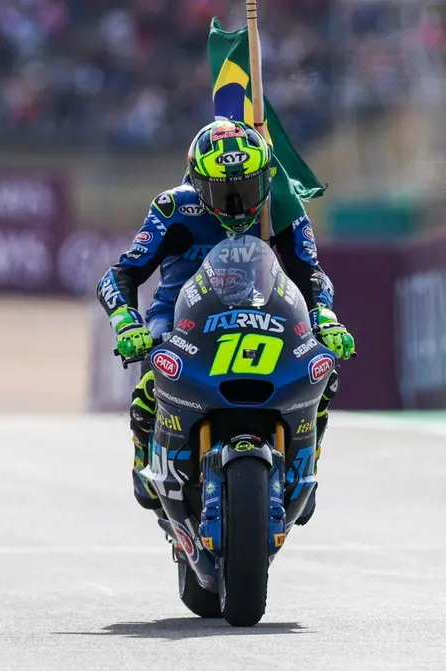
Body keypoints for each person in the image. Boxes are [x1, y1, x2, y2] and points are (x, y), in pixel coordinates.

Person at [96, 119, 357, 521]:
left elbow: (311, 273)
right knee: (153, 376)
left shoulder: (282, 206)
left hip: (265, 311)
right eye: (224, 192)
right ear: (198, 184)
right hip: (181, 318)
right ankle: (145, 453)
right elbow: (121, 274)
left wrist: (324, 316)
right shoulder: (174, 208)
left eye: (248, 189)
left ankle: (306, 461)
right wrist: (126, 323)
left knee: (321, 371)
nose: (238, 204)